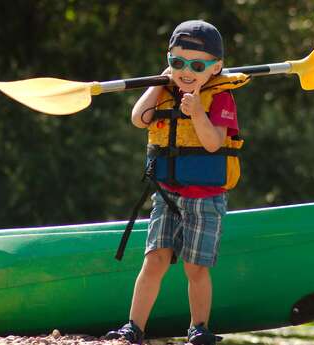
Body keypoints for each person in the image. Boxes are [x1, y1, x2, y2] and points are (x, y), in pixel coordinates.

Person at [106, 20, 250, 345]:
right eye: (177, 62)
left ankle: (198, 328)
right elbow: (138, 117)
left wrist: (197, 112)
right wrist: (159, 82)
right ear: (168, 59)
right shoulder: (164, 90)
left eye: (197, 65)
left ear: (216, 68)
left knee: (194, 267)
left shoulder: (222, 99)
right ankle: (133, 327)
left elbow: (214, 143)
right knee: (154, 260)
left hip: (206, 197)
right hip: (167, 193)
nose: (186, 71)